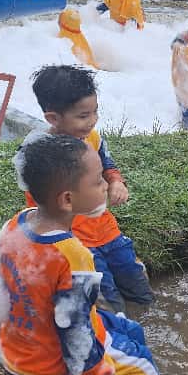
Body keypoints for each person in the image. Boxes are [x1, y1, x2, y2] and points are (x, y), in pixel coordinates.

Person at [0, 134, 167, 375]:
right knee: (145, 372)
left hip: (16, 350)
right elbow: (75, 330)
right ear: (68, 199)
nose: (105, 186)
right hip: (50, 365)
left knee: (130, 328)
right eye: (98, 181)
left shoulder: (17, 223)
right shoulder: (72, 255)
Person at [29, 65, 153, 313]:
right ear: (53, 118)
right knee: (107, 302)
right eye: (83, 116)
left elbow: (108, 164)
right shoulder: (42, 156)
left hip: (106, 229)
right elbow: (43, 210)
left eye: (95, 112)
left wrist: (116, 181)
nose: (92, 121)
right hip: (76, 239)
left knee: (138, 284)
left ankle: (143, 320)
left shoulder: (93, 138)